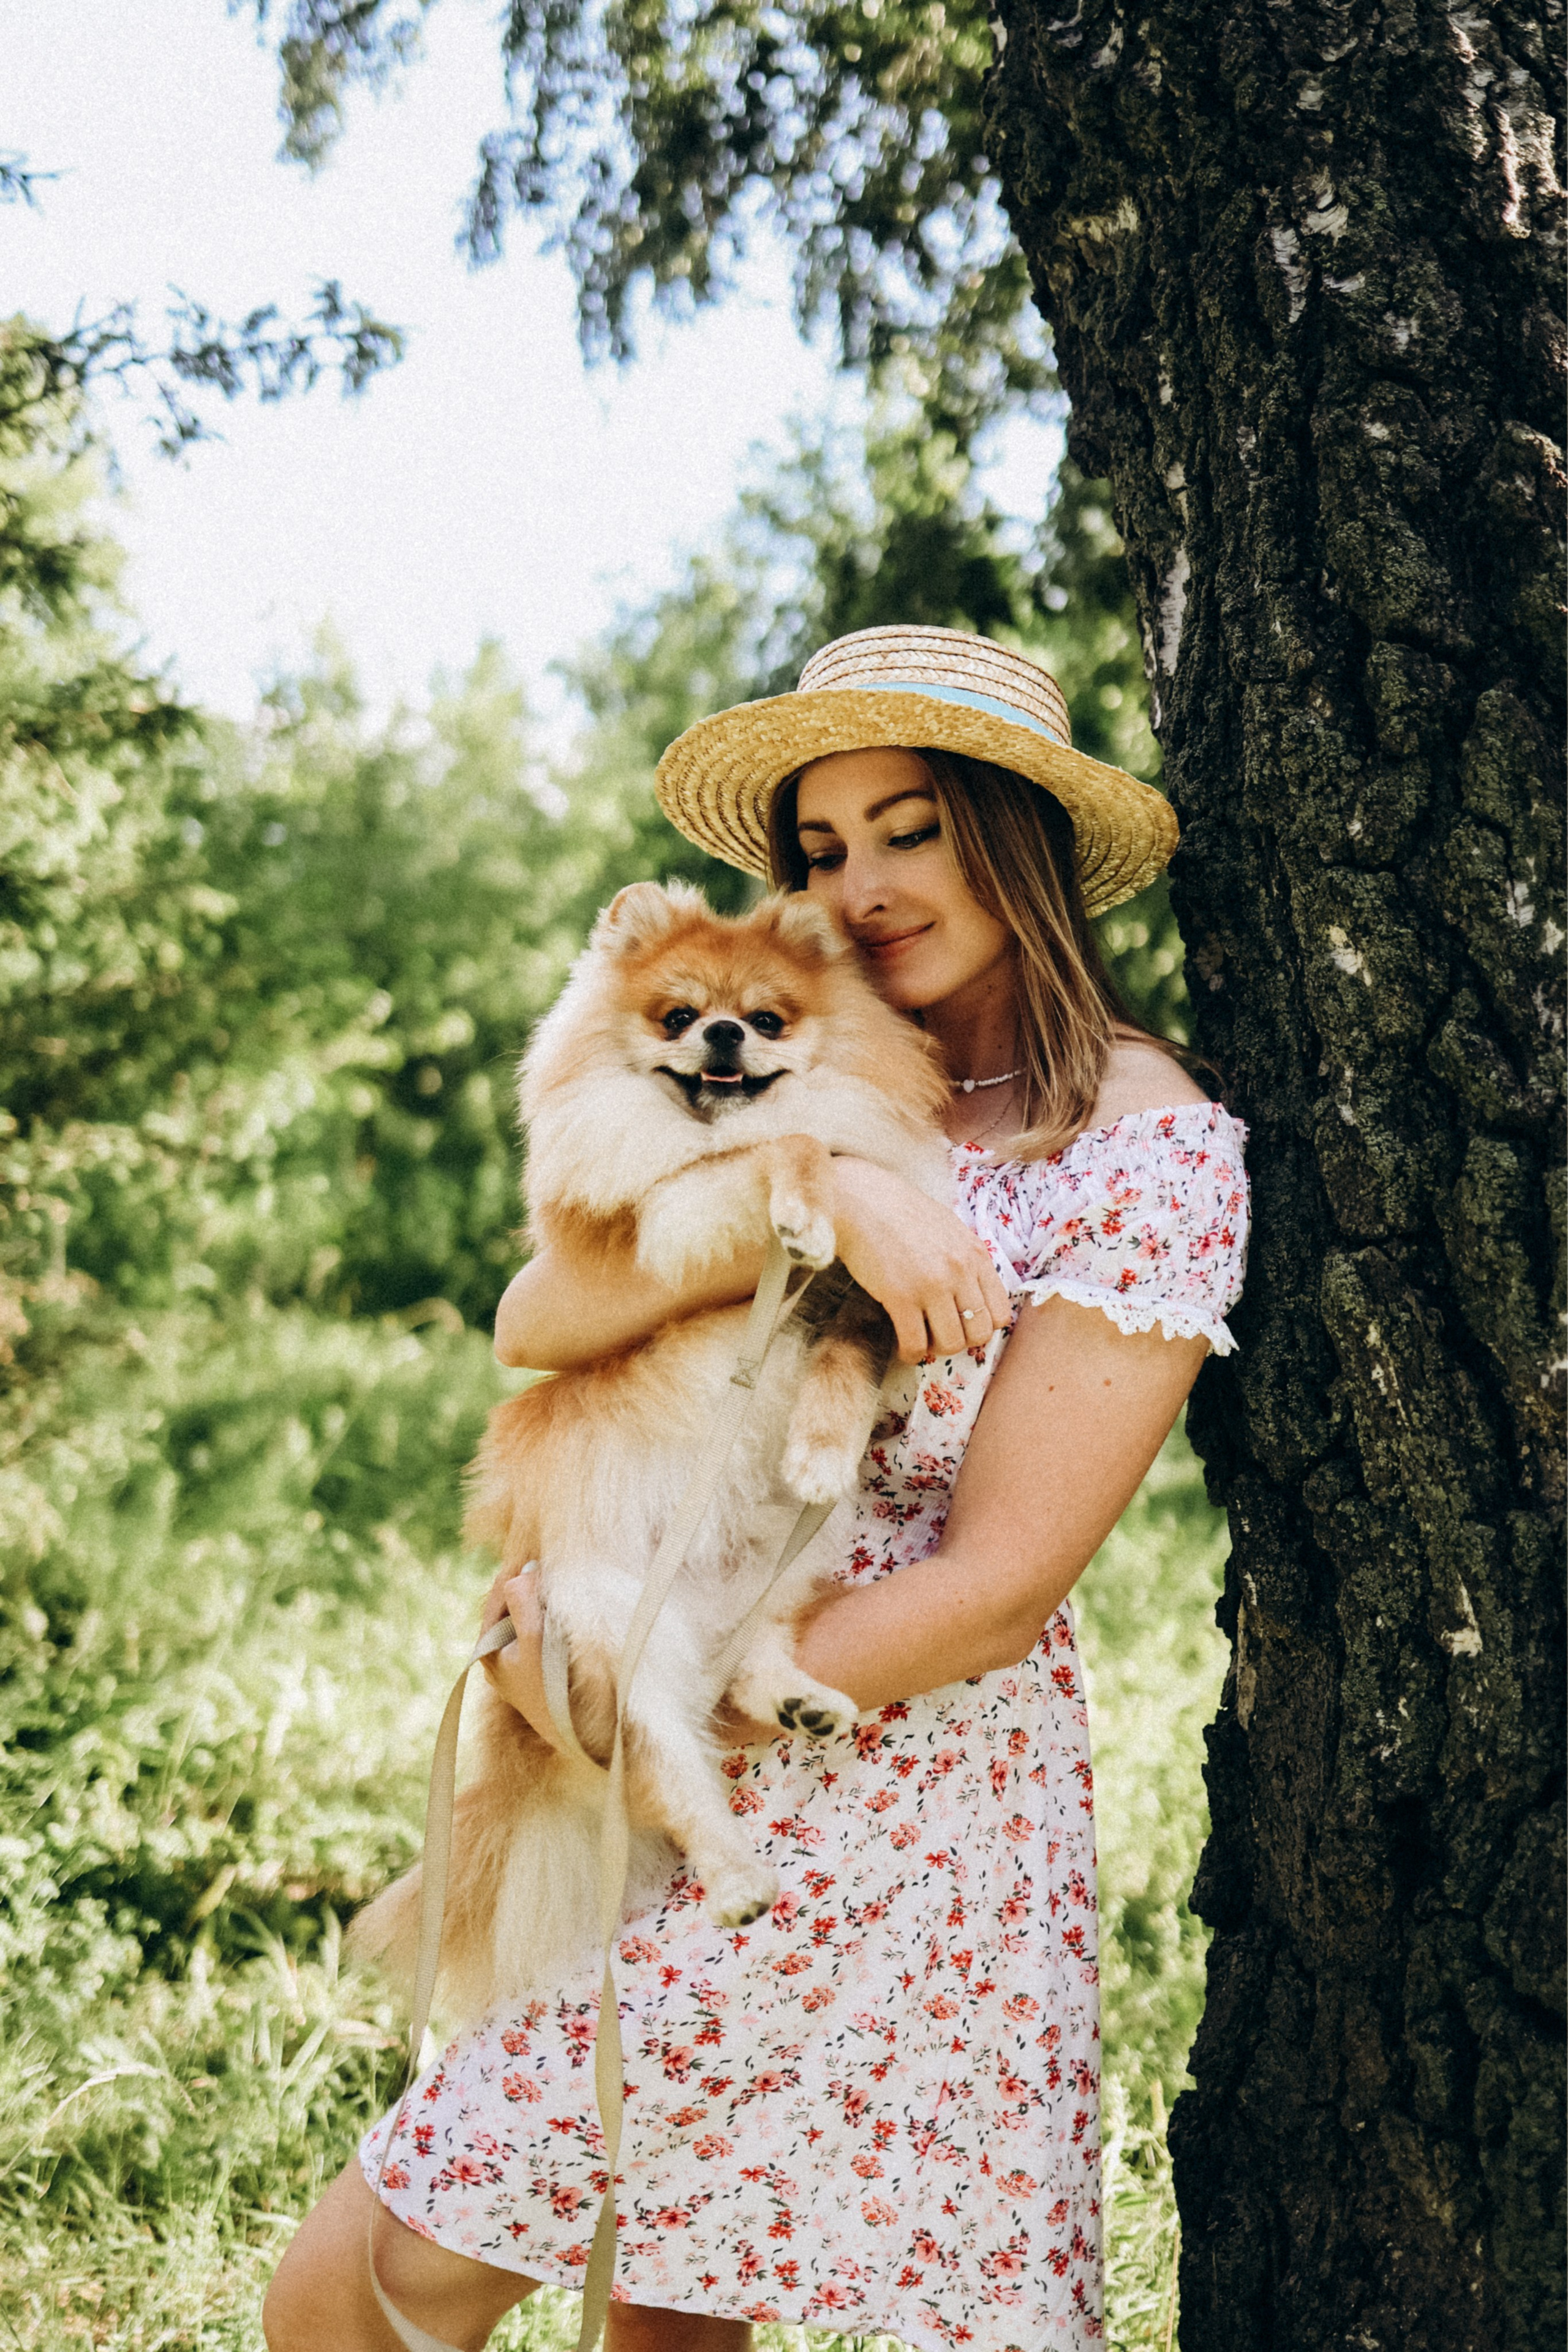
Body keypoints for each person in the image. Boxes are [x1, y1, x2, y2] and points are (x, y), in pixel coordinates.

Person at [264, 624, 1249, 2352]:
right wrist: (825, 1194)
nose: (861, 884)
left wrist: (632, 1710)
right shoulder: (824, 1079)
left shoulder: (1143, 1145)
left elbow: (1006, 1577)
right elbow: (538, 1314)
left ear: (1013, 831)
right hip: (668, 1707)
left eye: (912, 827)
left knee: (489, 2289)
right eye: (821, 847)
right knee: (445, 2296)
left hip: (882, 1784)